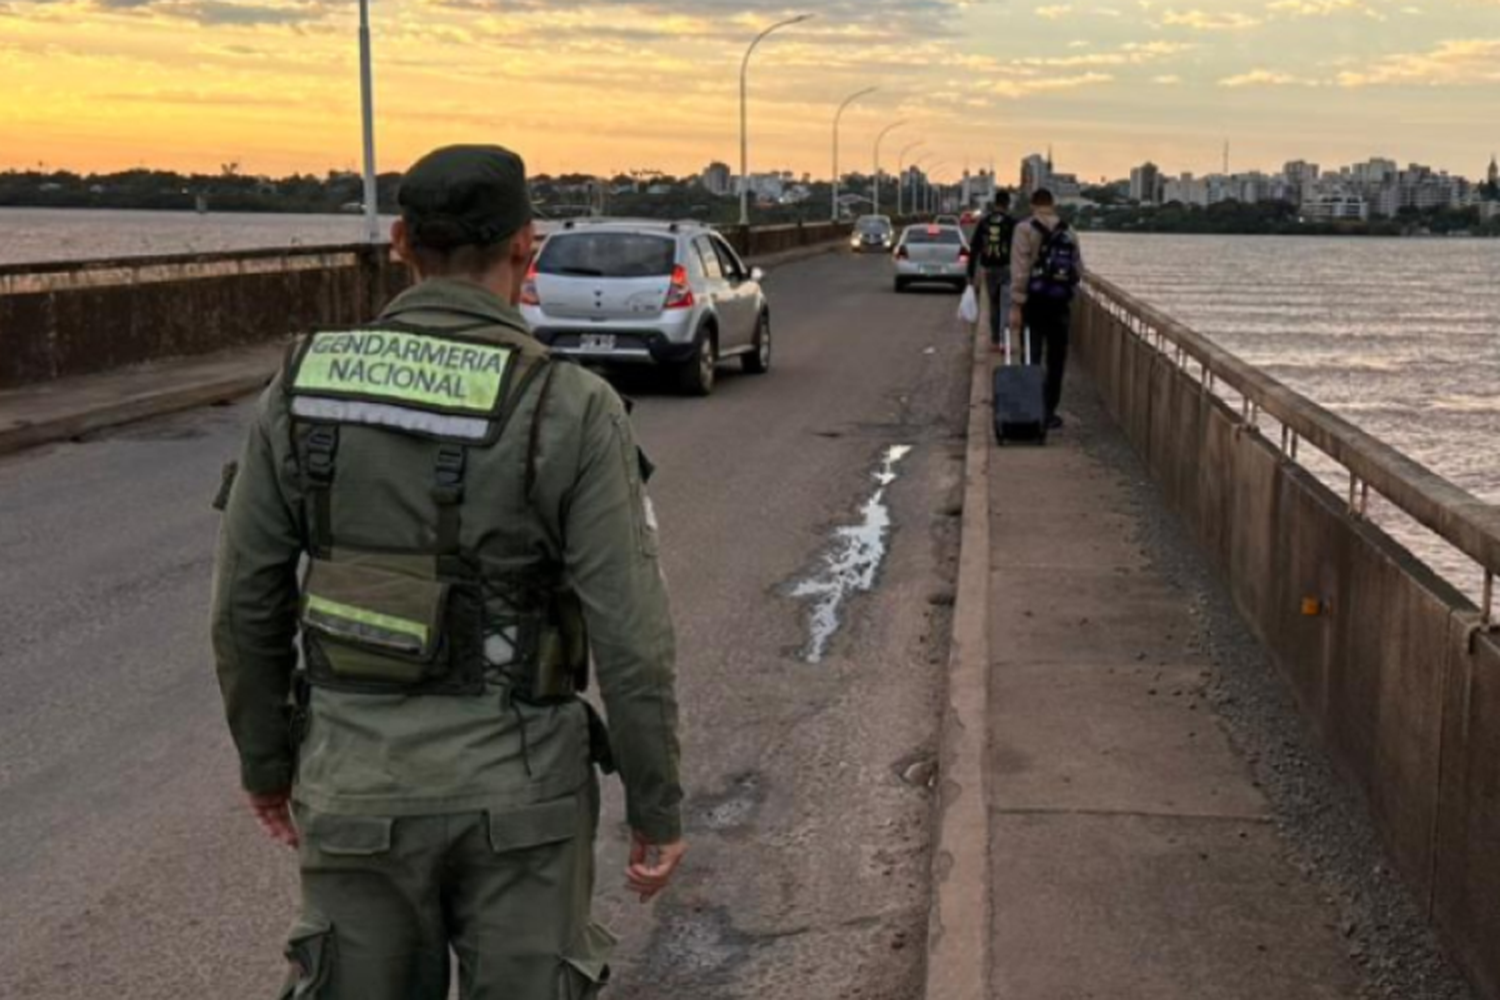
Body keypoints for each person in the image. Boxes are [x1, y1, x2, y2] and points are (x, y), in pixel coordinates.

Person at [210, 144, 685, 1000]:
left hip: (354, 785)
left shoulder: (301, 387)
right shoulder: (570, 405)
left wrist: (267, 764)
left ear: (399, 242)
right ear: (526, 248)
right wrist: (656, 806)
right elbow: (631, 633)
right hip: (522, 800)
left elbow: (246, 603)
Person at [1009, 187, 1084, 429]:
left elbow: (1020, 270)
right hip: (1060, 303)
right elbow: (1079, 270)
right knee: (1057, 359)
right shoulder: (1069, 231)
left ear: (1033, 204)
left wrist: (1016, 304)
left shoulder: (1024, 229)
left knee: (1032, 355)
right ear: (1053, 204)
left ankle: (1031, 411)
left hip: (1034, 303)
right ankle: (1049, 412)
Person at [966, 191, 1019, 351]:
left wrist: (970, 273)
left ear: (995, 203)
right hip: (1007, 268)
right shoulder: (1012, 223)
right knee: (1006, 304)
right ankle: (1005, 341)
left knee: (994, 306)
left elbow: (974, 248)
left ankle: (995, 341)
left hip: (989, 269)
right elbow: (1019, 248)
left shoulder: (984, 222)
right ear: (1007, 204)